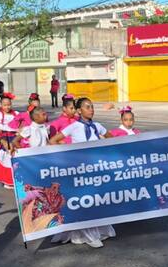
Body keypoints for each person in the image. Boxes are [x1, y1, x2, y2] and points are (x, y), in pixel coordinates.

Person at [46, 97, 117, 247]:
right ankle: (88, 235)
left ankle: (97, 229)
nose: (91, 109)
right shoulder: (74, 126)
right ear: (79, 111)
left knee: (96, 200)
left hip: (96, 170)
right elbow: (52, 140)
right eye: (87, 107)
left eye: (92, 106)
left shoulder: (97, 126)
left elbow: (113, 139)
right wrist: (67, 156)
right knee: (85, 201)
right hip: (79, 171)